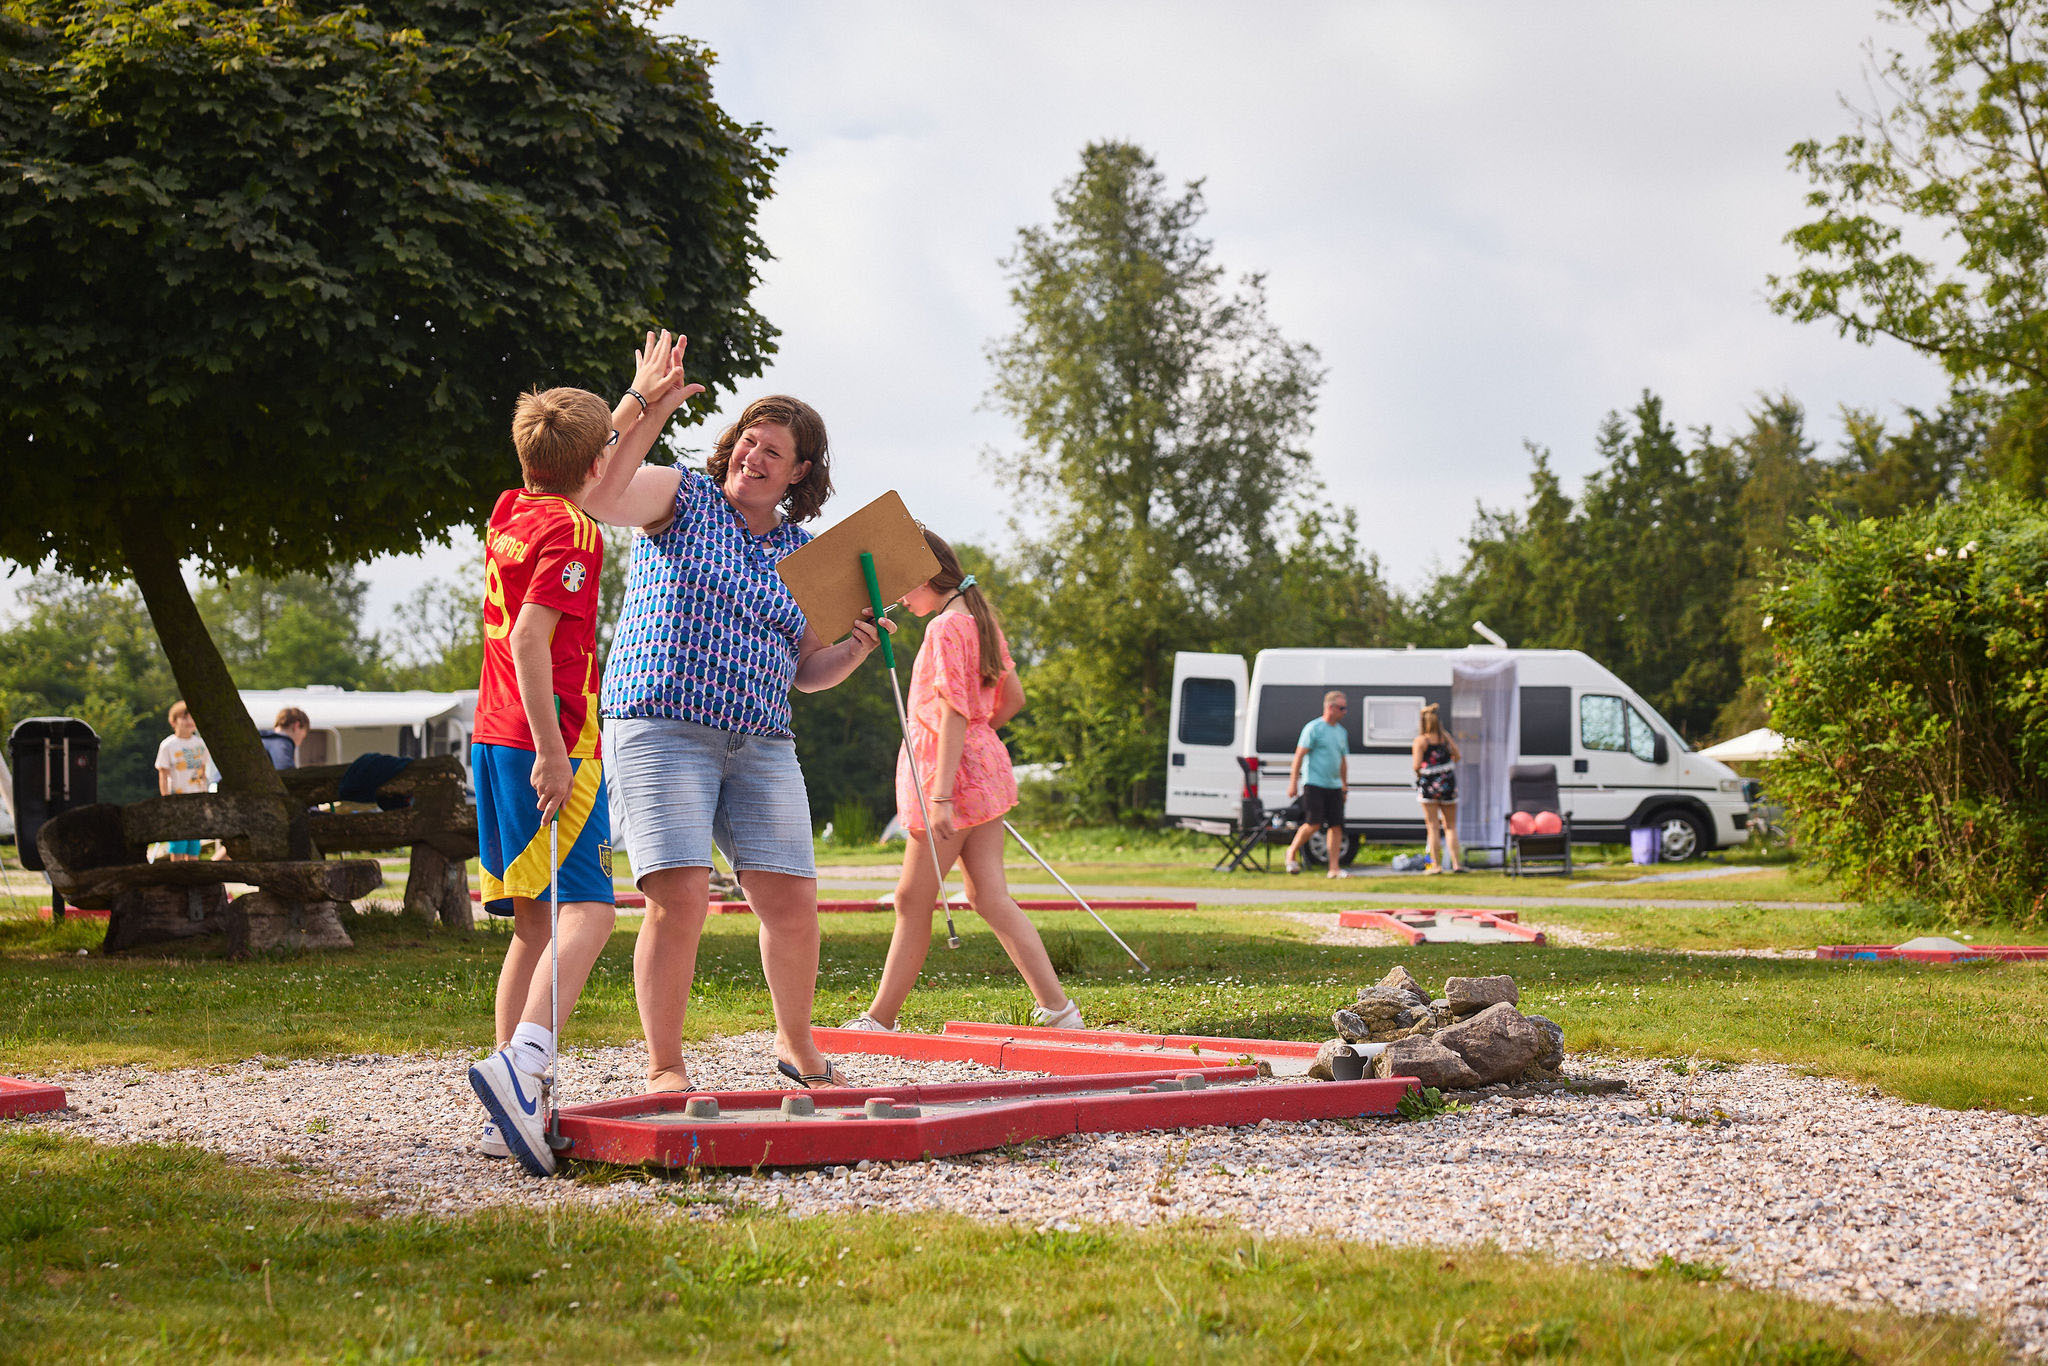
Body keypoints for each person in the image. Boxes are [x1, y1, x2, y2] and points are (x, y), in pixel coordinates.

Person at [583, 392, 886, 1093]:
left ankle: (795, 1043)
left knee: (791, 903)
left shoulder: (806, 555)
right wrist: (645, 404)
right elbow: (600, 494)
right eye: (749, 441)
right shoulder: (681, 495)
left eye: (772, 451)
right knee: (681, 894)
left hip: (762, 741)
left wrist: (856, 650)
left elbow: (808, 671)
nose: (753, 456)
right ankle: (664, 1065)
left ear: (799, 472)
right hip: (661, 723)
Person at [465, 331, 691, 1178]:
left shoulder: (511, 508)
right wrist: (558, 753)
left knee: (532, 923)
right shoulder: (578, 533)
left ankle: (507, 1100)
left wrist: (642, 404)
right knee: (591, 911)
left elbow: (588, 475)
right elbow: (531, 641)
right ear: (598, 461)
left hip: (492, 736)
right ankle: (525, 1068)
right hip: (548, 742)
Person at [843, 529, 1079, 1034]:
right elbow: (1010, 697)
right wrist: (980, 740)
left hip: (951, 781)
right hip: (982, 772)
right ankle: (1059, 1011)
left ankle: (880, 1020)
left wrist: (943, 792)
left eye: (902, 586)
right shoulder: (978, 619)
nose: (900, 598)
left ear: (928, 576)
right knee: (989, 896)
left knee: (911, 899)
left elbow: (953, 710)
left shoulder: (946, 629)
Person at [1284, 690, 1350, 878]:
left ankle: (1334, 868)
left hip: (1334, 785)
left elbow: (1343, 761)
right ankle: (1291, 852)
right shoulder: (1313, 728)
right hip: (1314, 783)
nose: (1345, 712)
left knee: (1336, 826)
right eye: (1341, 708)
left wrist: (1344, 785)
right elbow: (1299, 756)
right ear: (1330, 707)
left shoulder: (1341, 732)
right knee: (1313, 824)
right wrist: (1293, 783)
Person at [1411, 702, 1467, 874]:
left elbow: (1416, 765)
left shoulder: (1421, 740)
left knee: (1433, 826)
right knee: (1450, 826)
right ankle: (1456, 864)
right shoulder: (1445, 738)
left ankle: (1435, 866)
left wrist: (1425, 772)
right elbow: (1457, 756)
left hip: (1429, 786)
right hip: (1448, 784)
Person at [154, 701, 210, 860]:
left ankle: (194, 879)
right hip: (177, 799)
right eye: (185, 718)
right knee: (178, 843)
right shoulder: (168, 745)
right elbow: (163, 774)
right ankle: (177, 878)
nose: (190, 721)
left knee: (194, 844)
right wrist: (166, 800)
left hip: (197, 799)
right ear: (174, 721)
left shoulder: (200, 743)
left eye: (192, 717)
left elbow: (203, 771)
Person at [258, 706, 309, 771]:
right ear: (296, 726)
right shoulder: (282, 744)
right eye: (303, 736)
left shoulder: (259, 737)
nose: (300, 743)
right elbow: (287, 775)